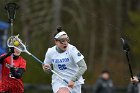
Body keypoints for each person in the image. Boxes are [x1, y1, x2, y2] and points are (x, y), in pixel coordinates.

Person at [42, 26, 87, 93]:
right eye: (62, 41)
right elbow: (46, 68)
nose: (65, 43)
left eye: (67, 40)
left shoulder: (72, 50)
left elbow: (83, 66)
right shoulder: (50, 52)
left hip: (74, 82)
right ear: (56, 41)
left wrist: (73, 79)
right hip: (59, 82)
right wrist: (46, 68)